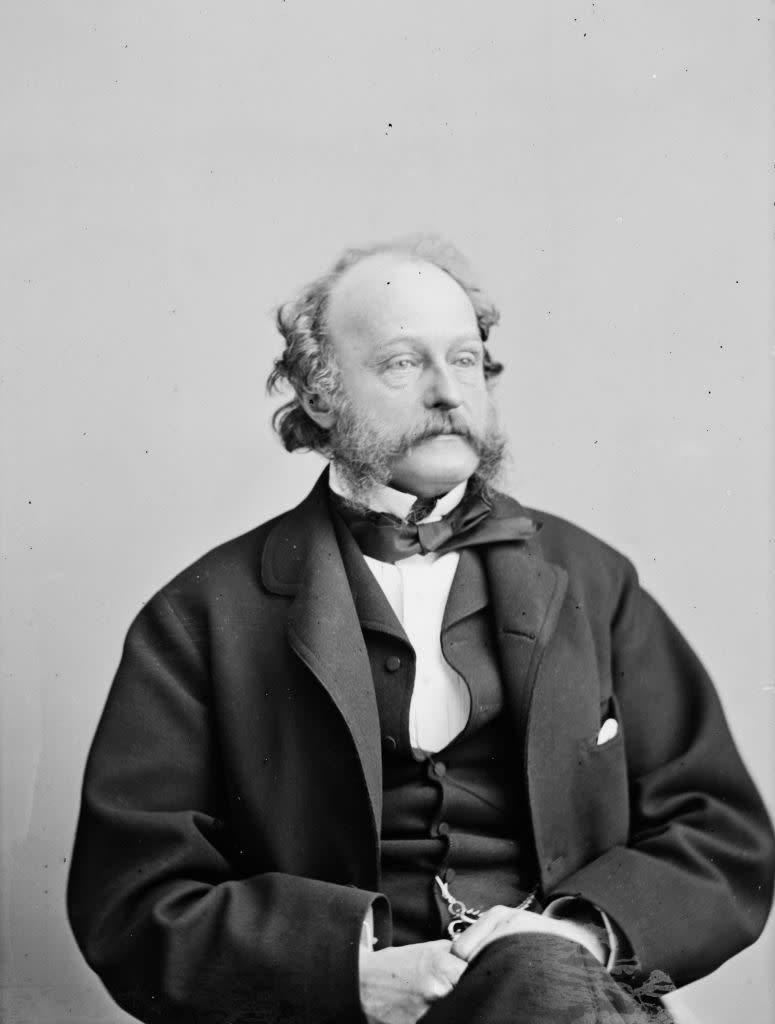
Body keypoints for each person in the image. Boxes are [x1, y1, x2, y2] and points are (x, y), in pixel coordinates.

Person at [68, 236, 774, 1024]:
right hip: (336, 1016)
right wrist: (353, 973)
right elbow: (133, 899)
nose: (447, 394)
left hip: (564, 996)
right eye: (403, 364)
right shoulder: (204, 612)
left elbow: (721, 838)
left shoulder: (593, 580)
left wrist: (575, 934)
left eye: (466, 360)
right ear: (318, 397)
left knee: (536, 980)